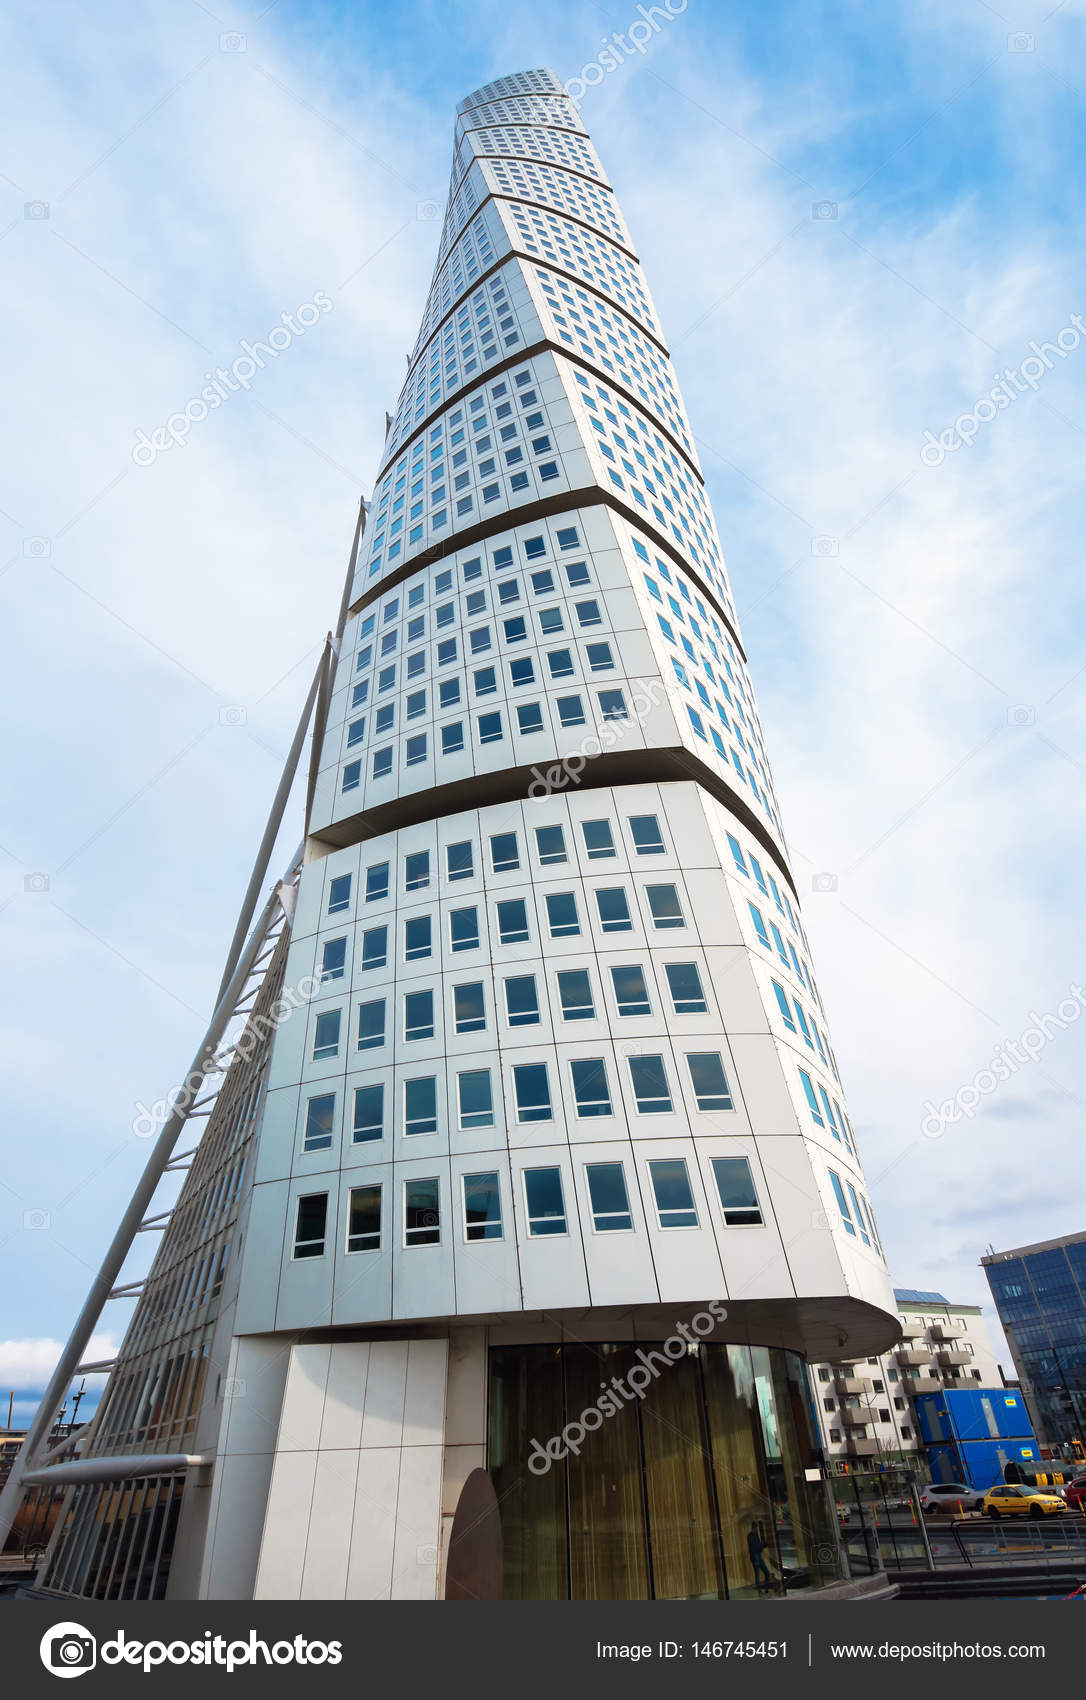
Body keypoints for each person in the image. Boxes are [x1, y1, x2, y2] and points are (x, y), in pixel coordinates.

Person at [747, 1519, 773, 1594]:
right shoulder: (751, 1535)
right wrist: (762, 1545)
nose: (757, 1529)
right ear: (754, 1528)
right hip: (755, 1556)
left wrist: (763, 1544)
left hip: (757, 1555)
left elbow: (757, 1547)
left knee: (766, 1573)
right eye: (756, 1528)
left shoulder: (755, 1535)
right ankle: (760, 1590)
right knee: (758, 1573)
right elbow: (753, 1547)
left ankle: (765, 1588)